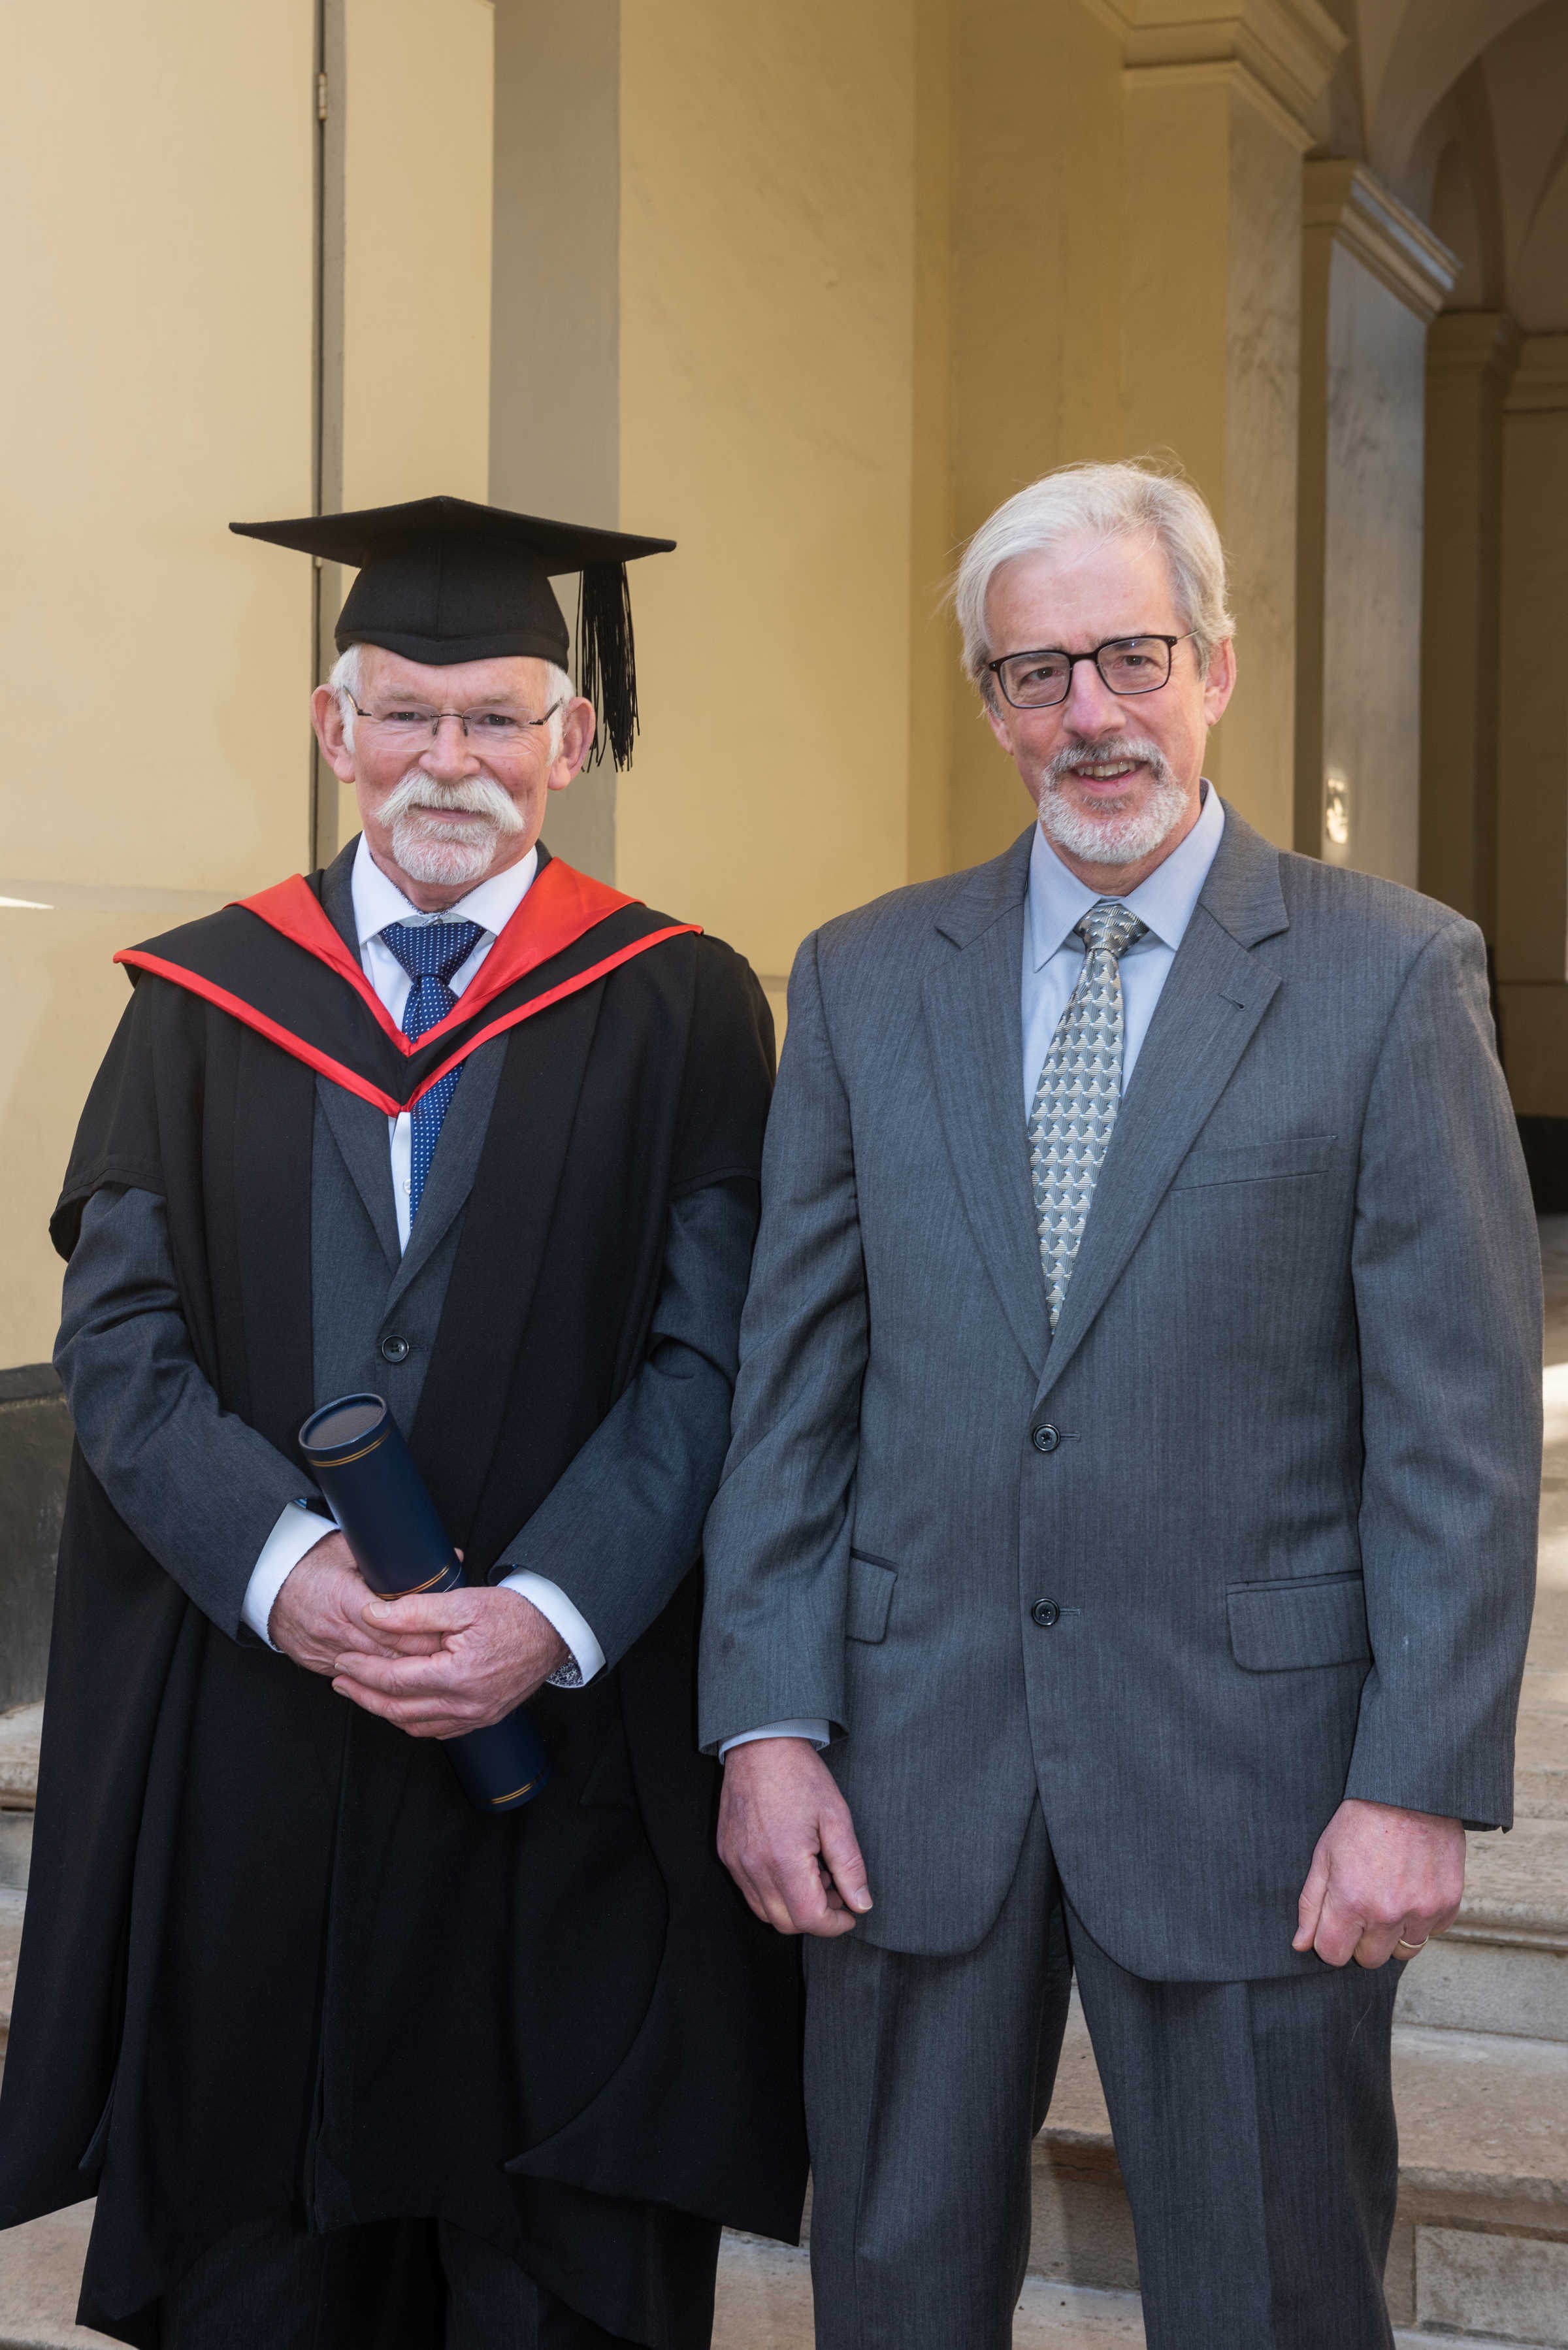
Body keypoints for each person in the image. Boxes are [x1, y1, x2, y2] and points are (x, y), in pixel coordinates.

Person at [698, 460, 1541, 2350]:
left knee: (1271, 2294)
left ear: (1217, 665)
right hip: (911, 1773)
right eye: (1034, 672)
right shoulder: (856, 983)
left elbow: (1459, 1434)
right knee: (895, 2289)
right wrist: (764, 1718)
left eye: (1129, 656)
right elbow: (794, 1398)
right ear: (993, 705)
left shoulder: (1392, 976)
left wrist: (1417, 1777)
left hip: (1259, 1783)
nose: (1088, 713)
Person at [0, 495, 805, 2349]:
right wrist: (283, 1575)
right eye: (410, 714)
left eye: (501, 717)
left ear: (570, 742)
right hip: (269, 1745)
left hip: (565, 1765)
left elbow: (716, 1358)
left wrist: (547, 1612)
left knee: (559, 2272)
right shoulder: (199, 1001)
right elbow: (115, 1337)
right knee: (266, 2268)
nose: (455, 761)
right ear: (334, 730)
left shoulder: (682, 1007)